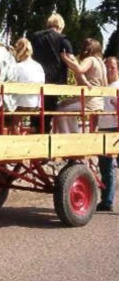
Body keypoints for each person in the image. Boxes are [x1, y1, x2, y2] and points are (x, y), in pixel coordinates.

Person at [28, 13, 73, 132]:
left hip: (36, 79)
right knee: (48, 114)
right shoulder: (63, 40)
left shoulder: (35, 37)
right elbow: (71, 60)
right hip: (54, 81)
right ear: (60, 26)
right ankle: (45, 138)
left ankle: (34, 134)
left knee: (35, 112)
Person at [54, 38, 107, 133]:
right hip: (99, 102)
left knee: (59, 107)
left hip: (87, 101)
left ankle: (66, 135)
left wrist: (65, 59)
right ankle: (73, 133)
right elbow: (105, 84)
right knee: (68, 111)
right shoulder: (102, 63)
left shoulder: (90, 59)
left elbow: (80, 69)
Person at [97, 56, 119, 211]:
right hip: (103, 128)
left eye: (112, 66)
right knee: (105, 167)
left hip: (116, 128)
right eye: (107, 67)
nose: (109, 69)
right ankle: (107, 201)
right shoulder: (103, 87)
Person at [13, 38, 45, 133]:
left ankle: (15, 136)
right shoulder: (39, 66)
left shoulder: (17, 67)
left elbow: (13, 84)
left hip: (20, 104)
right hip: (36, 104)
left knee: (11, 115)